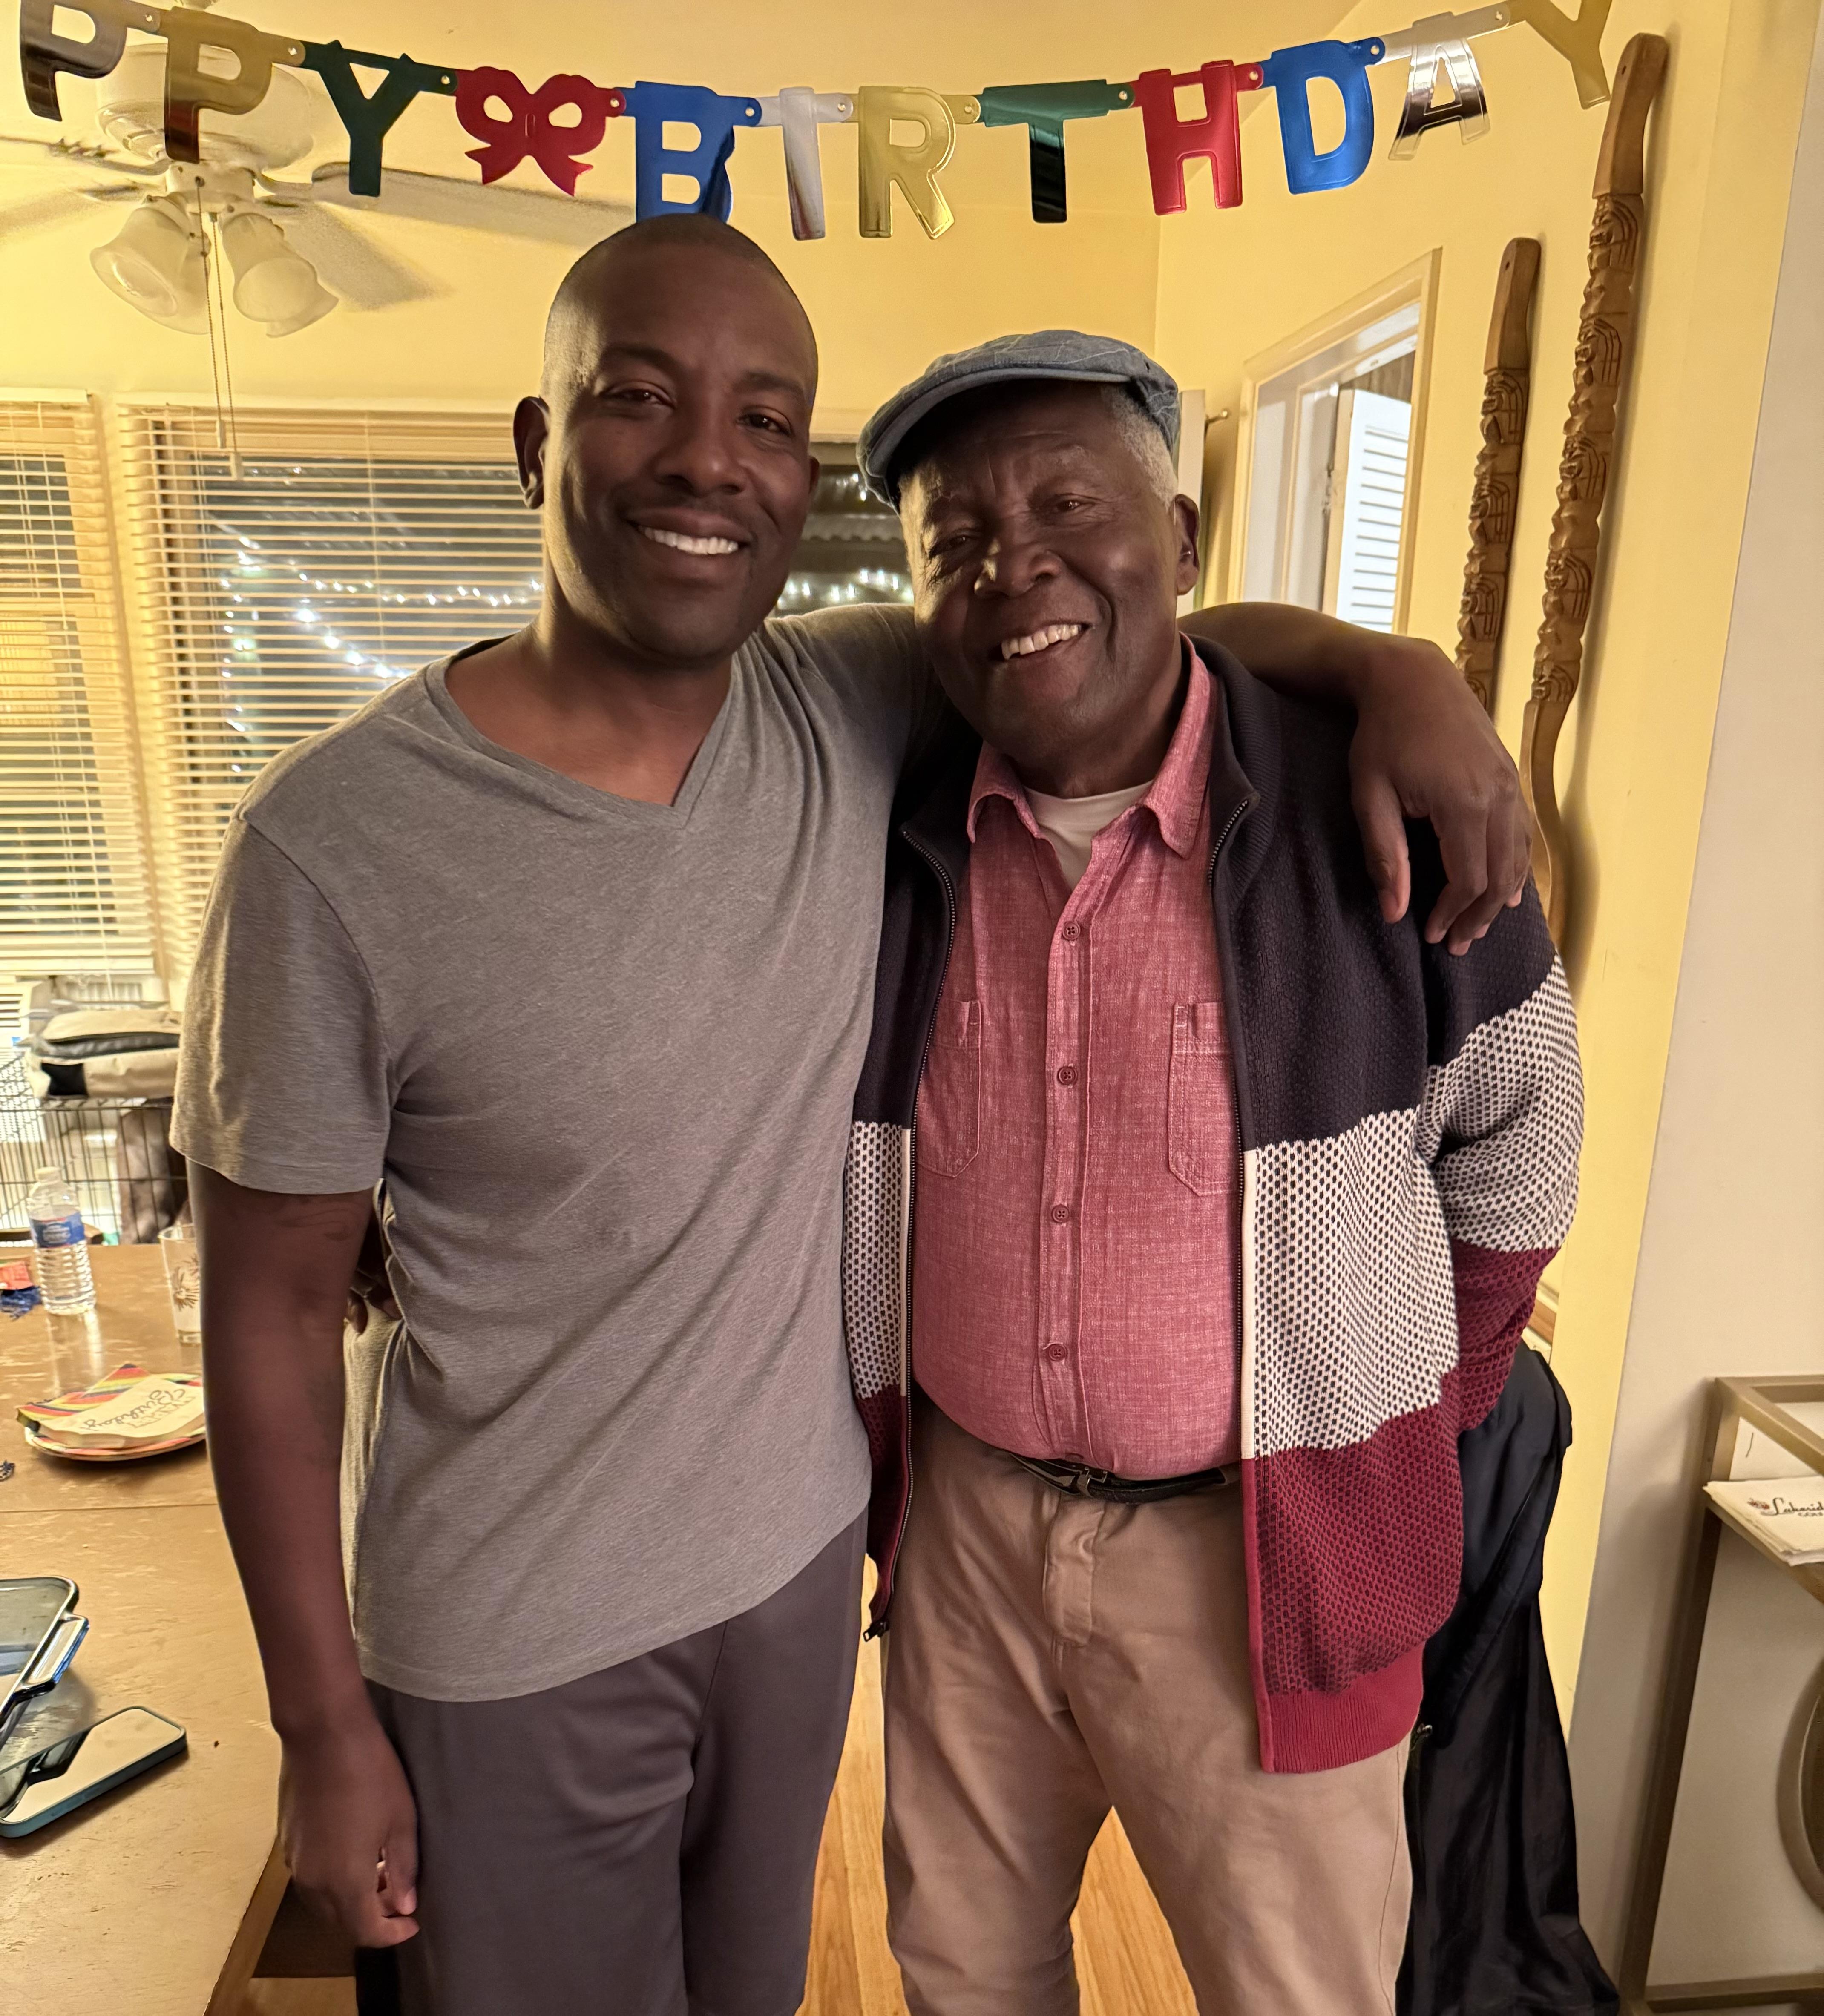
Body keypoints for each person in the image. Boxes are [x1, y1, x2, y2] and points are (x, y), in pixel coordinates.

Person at [175, 221, 1533, 2016]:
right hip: (530, 1623)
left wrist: (1398, 669)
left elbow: (1130, 633)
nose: (706, 459)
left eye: (763, 418)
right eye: (638, 396)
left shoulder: (846, 705)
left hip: (803, 1580)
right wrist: (319, 1720)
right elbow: (266, 1314)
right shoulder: (339, 843)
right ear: (535, 442)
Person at [840, 336, 1582, 2016]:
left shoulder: (1380, 813)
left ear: (1179, 537)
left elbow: (1525, 1139)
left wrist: (1399, 1417)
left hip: (1266, 1554)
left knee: (1296, 1990)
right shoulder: (888, 818)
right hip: (966, 1530)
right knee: (961, 1967)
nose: (1014, 566)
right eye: (957, 539)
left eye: (1067, 507)